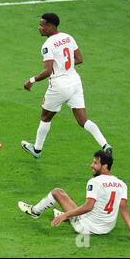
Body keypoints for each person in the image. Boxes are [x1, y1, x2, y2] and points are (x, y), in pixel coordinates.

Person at [21, 13, 111, 158]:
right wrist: (64, 65)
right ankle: (105, 144)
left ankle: (37, 149)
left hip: (59, 86)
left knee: (45, 117)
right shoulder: (68, 37)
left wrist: (31, 81)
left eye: (42, 25)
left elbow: (48, 71)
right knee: (83, 120)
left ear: (51, 26)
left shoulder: (47, 45)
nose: (39, 28)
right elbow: (79, 59)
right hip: (75, 82)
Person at [18, 150, 130, 242]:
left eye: (95, 163)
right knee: (78, 203)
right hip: (107, 228)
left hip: (87, 227)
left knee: (57, 192)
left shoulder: (95, 182)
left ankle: (34, 211)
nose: (91, 165)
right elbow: (123, 208)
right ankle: (66, 216)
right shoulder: (121, 184)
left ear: (105, 166)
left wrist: (65, 215)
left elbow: (88, 207)